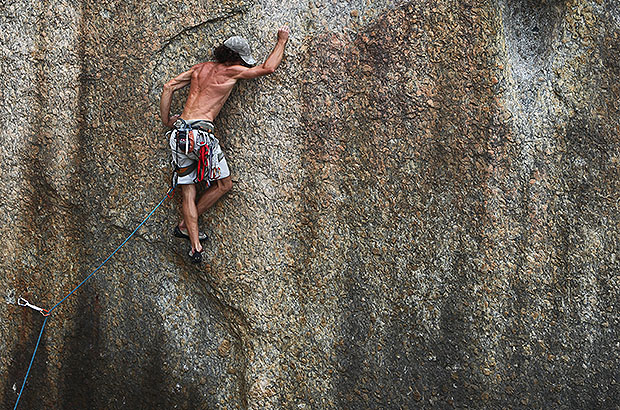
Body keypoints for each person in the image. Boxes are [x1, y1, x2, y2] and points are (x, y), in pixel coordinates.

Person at [160, 26, 290, 263]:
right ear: (235, 58)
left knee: (188, 189)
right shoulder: (232, 72)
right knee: (224, 184)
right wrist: (281, 41)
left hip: (179, 136)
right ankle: (188, 227)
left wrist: (166, 119)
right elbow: (268, 68)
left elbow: (168, 86)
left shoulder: (199, 69)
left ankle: (194, 243)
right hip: (200, 137)